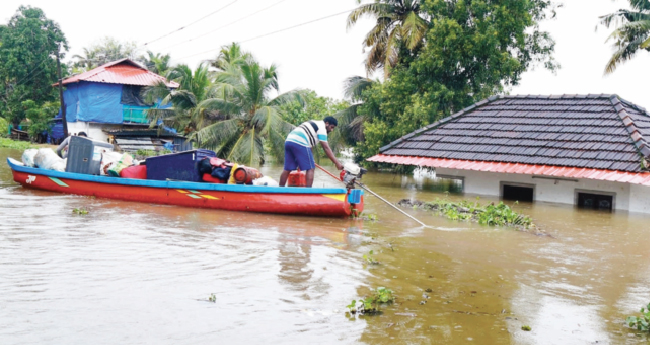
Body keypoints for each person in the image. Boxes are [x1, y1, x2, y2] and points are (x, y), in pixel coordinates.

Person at [279, 116, 344, 188]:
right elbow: (326, 148)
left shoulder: (315, 123)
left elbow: (309, 146)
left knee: (287, 169)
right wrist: (336, 162)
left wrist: (311, 160)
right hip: (300, 141)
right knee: (310, 168)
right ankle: (308, 192)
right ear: (327, 123)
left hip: (289, 141)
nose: (331, 130)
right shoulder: (322, 128)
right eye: (331, 127)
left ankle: (280, 189)